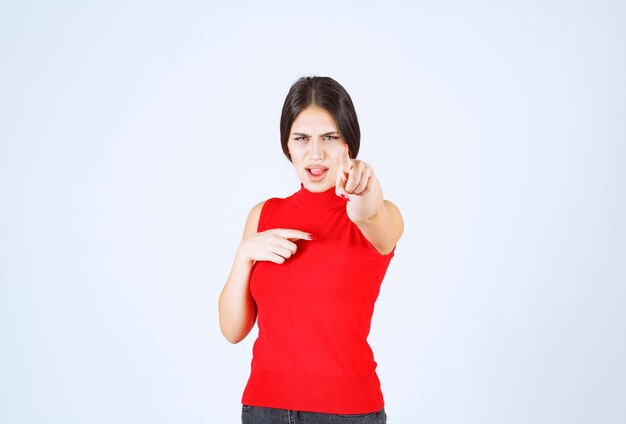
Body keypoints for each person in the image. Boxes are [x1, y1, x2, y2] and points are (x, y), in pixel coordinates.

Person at [218, 76, 404, 424]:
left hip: (346, 413)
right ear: (287, 146)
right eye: (301, 139)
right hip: (263, 409)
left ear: (348, 142)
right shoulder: (263, 215)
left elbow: (368, 211)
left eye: (329, 138)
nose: (315, 153)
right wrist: (244, 254)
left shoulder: (376, 215)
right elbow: (232, 330)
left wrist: (365, 189)